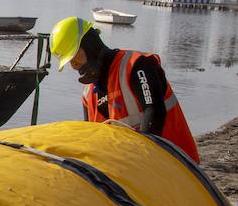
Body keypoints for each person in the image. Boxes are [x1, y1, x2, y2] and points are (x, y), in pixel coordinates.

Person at [49, 16, 201, 163]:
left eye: (75, 56)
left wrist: (138, 165)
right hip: (133, 170)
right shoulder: (88, 93)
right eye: (70, 61)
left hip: (179, 165)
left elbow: (154, 112)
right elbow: (93, 137)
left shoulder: (137, 66)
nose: (74, 65)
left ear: (90, 45)